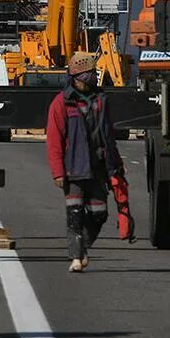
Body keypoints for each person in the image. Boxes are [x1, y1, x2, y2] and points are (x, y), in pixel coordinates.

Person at [45, 52, 127, 272]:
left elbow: (109, 135)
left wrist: (116, 165)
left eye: (93, 75)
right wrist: (57, 172)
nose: (91, 79)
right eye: (87, 75)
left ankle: (81, 249)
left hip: (98, 167)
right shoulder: (62, 103)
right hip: (73, 169)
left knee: (99, 214)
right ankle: (75, 256)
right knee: (75, 215)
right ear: (75, 77)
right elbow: (54, 139)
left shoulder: (101, 100)